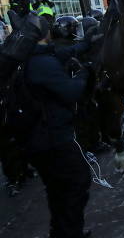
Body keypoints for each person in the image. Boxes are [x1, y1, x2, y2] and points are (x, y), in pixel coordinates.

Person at [24, 15, 96, 238]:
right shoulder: (41, 64)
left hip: (37, 138)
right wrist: (84, 73)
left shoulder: (33, 55)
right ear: (45, 35)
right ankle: (70, 232)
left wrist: (87, 42)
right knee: (77, 181)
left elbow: (63, 52)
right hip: (53, 137)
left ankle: (59, 232)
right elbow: (72, 92)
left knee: (55, 189)